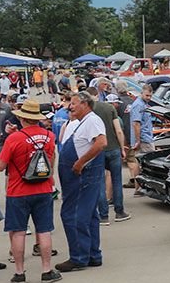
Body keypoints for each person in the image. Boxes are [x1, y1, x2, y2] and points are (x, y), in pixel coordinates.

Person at [0, 99, 61, 283]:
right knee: (44, 230)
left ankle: (19, 273)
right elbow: (51, 161)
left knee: (18, 232)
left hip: (18, 191)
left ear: (23, 118)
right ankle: (46, 270)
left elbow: (1, 166)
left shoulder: (14, 139)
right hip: (43, 189)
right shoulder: (49, 136)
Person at [56, 91, 107, 272]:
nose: (70, 106)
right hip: (79, 177)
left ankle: (79, 257)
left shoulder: (92, 120)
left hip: (82, 177)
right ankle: (93, 255)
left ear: (85, 104)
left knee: (74, 215)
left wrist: (80, 162)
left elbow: (101, 143)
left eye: (74, 103)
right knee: (89, 215)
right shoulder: (83, 122)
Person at [91, 89, 130, 225]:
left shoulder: (89, 110)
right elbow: (118, 130)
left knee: (100, 182)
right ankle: (119, 212)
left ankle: (103, 216)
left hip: (98, 149)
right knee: (117, 180)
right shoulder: (109, 108)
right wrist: (122, 148)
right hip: (113, 148)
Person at [128, 85, 155, 196]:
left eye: (150, 96)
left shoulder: (143, 104)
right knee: (147, 163)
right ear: (141, 93)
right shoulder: (138, 105)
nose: (149, 97)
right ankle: (139, 188)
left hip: (145, 137)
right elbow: (136, 124)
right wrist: (138, 140)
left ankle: (139, 188)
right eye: (147, 95)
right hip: (144, 139)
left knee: (140, 164)